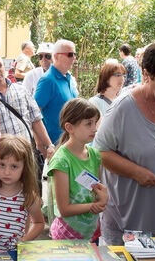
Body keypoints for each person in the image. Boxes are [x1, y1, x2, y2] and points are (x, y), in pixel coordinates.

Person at [94, 42, 155, 247]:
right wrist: (136, 172)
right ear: (147, 74)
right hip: (125, 216)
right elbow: (100, 152)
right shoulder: (124, 108)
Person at [45, 98, 108, 241]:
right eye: (88, 124)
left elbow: (96, 191)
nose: (95, 128)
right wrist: (94, 205)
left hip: (91, 233)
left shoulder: (94, 155)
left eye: (95, 122)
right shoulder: (62, 161)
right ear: (69, 127)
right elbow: (64, 209)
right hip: (67, 235)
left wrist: (103, 197)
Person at [0, 135, 46, 251]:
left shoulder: (28, 195)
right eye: (2, 165)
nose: (6, 172)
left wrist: (24, 240)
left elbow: (39, 223)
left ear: (25, 167)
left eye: (14, 166)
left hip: (13, 254)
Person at [0, 54, 55, 163]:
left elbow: (36, 120)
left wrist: (49, 145)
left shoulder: (21, 90)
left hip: (26, 155)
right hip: (1, 161)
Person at [34, 39, 79, 143]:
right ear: (56, 56)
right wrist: (43, 145)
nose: (74, 58)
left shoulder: (69, 78)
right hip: (56, 144)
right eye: (70, 54)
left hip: (71, 141)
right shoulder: (47, 80)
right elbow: (34, 114)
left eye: (74, 54)